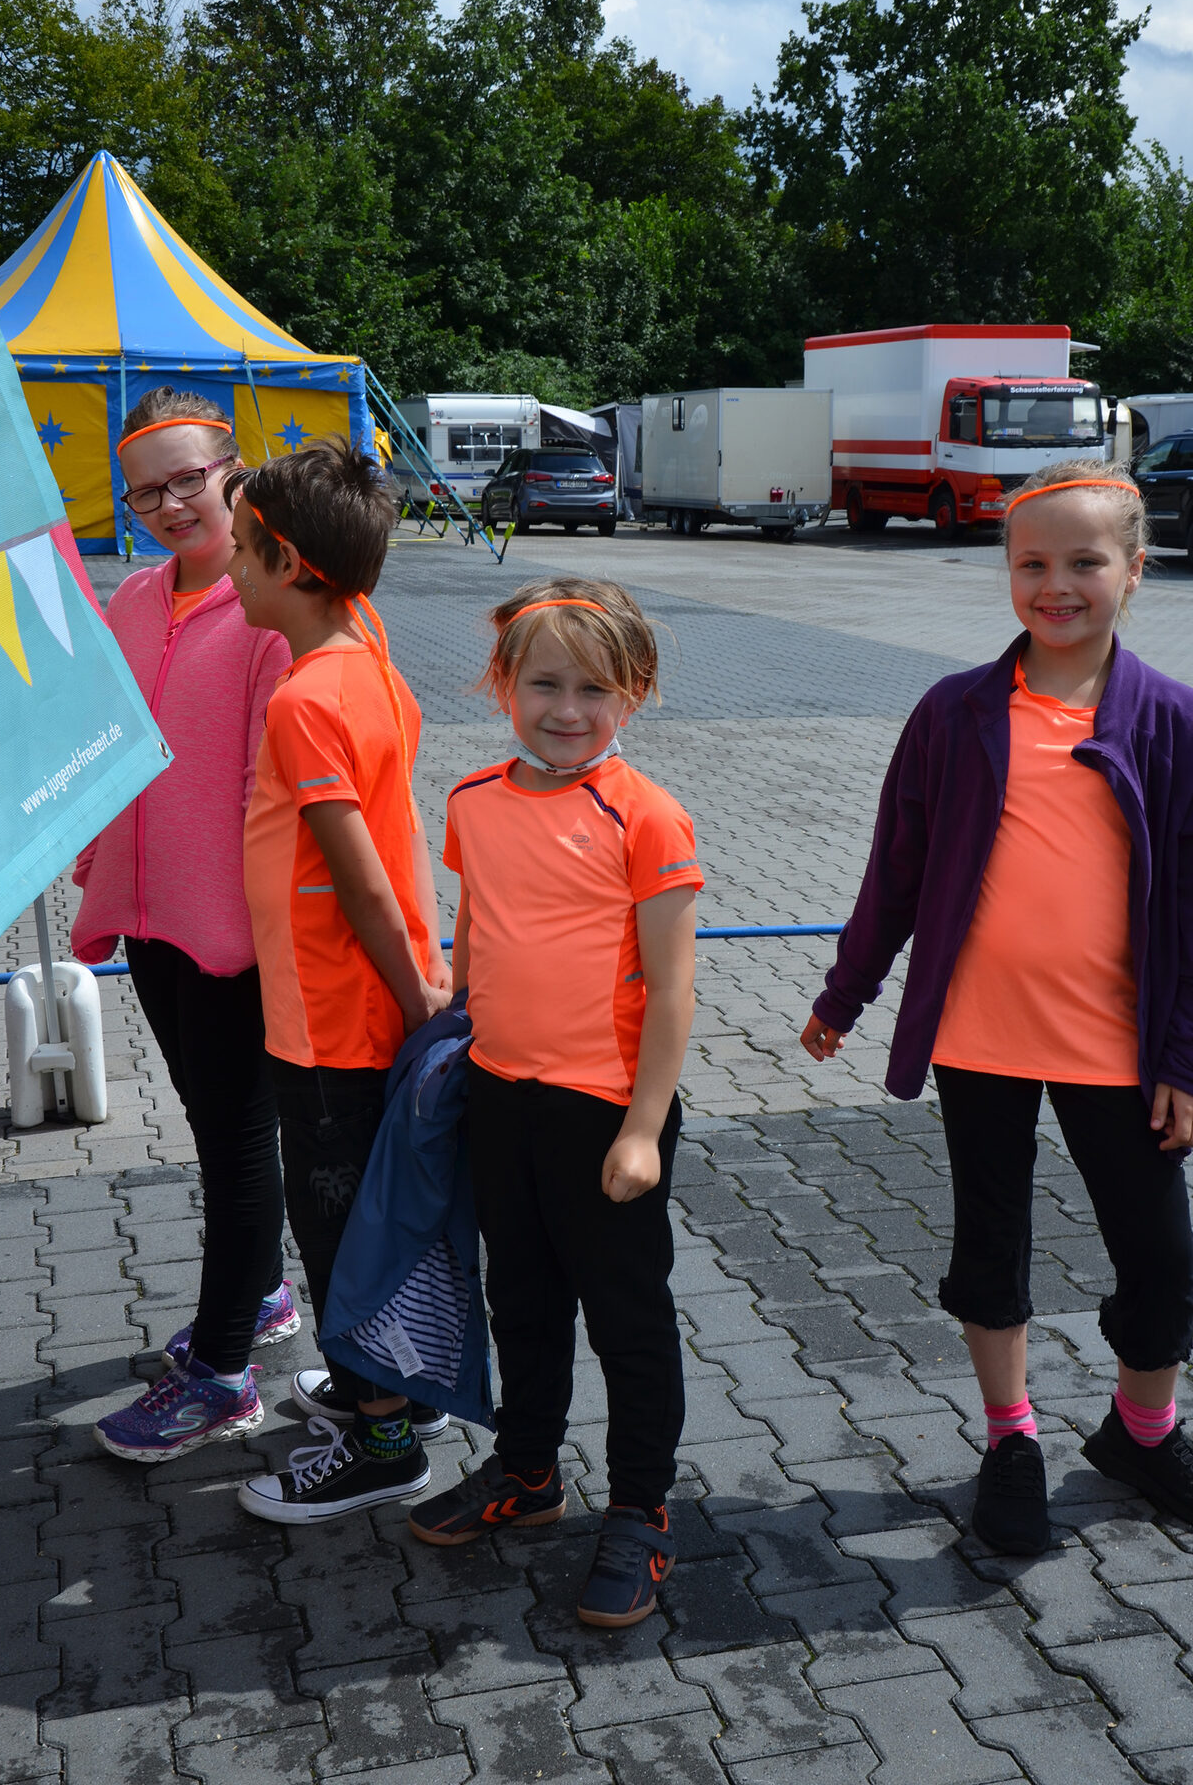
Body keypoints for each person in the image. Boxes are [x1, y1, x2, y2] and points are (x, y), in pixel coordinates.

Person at [800, 459, 1193, 1553]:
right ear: (1007, 570)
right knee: (990, 1245)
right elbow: (896, 871)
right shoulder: (954, 713)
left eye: (1085, 562)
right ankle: (1010, 1439)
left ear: (1135, 571)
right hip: (980, 1036)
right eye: (1032, 563)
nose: (1056, 585)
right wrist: (848, 990)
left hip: (1120, 1045)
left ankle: (1143, 1433)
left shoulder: (1176, 722)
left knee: (1161, 1259)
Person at [406, 577, 703, 1628]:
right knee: (522, 1302)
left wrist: (642, 1130)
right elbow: (480, 927)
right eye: (543, 685)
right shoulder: (472, 800)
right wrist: (456, 1020)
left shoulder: (647, 816)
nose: (566, 710)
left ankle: (641, 1509)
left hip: (605, 1113)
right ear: (502, 685)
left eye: (593, 689)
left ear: (634, 694)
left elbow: (672, 990)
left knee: (628, 1322)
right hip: (501, 1096)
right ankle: (529, 1472)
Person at [222, 438, 453, 1526]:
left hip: (330, 1022)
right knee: (375, 1218)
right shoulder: (370, 655)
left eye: (240, 546)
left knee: (340, 1235)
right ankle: (397, 1393)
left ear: (289, 563)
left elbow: (360, 879)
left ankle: (381, 1442)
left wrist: (416, 1001)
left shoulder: (305, 700)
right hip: (366, 1007)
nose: (228, 564)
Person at [79, 389, 296, 1463]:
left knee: (236, 1147)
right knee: (214, 1123)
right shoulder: (132, 597)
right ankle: (262, 1296)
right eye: (144, 491)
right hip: (149, 917)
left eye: (186, 479)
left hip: (234, 935)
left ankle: (220, 1376)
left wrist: (262, 925)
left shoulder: (274, 606)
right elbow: (109, 742)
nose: (169, 504)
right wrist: (94, 859)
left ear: (231, 469)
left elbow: (279, 787)